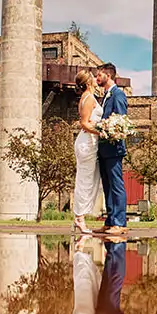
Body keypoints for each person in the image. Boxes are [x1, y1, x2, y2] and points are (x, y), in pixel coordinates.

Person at [95, 62, 129, 236]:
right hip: (103, 149)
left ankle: (120, 223)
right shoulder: (106, 96)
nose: (96, 78)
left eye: (98, 75)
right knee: (107, 186)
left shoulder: (118, 95)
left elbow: (121, 122)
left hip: (113, 149)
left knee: (116, 186)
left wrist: (109, 130)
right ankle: (110, 221)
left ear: (108, 75)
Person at [72, 68, 102, 237]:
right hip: (87, 143)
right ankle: (79, 218)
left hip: (89, 142)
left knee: (90, 180)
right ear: (89, 82)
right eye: (94, 79)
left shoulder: (87, 98)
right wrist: (102, 131)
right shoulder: (89, 98)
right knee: (85, 180)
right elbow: (84, 123)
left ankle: (80, 215)